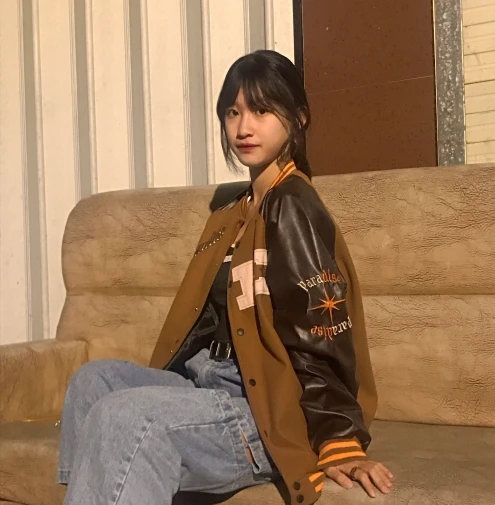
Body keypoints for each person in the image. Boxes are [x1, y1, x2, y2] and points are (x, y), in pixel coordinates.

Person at [57, 50, 393, 505]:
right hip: (208, 382)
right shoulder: (234, 211)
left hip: (263, 409)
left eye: (261, 110)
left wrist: (338, 437)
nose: (243, 127)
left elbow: (320, 328)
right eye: (233, 112)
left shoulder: (292, 207)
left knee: (127, 416)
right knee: (92, 382)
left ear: (298, 118)